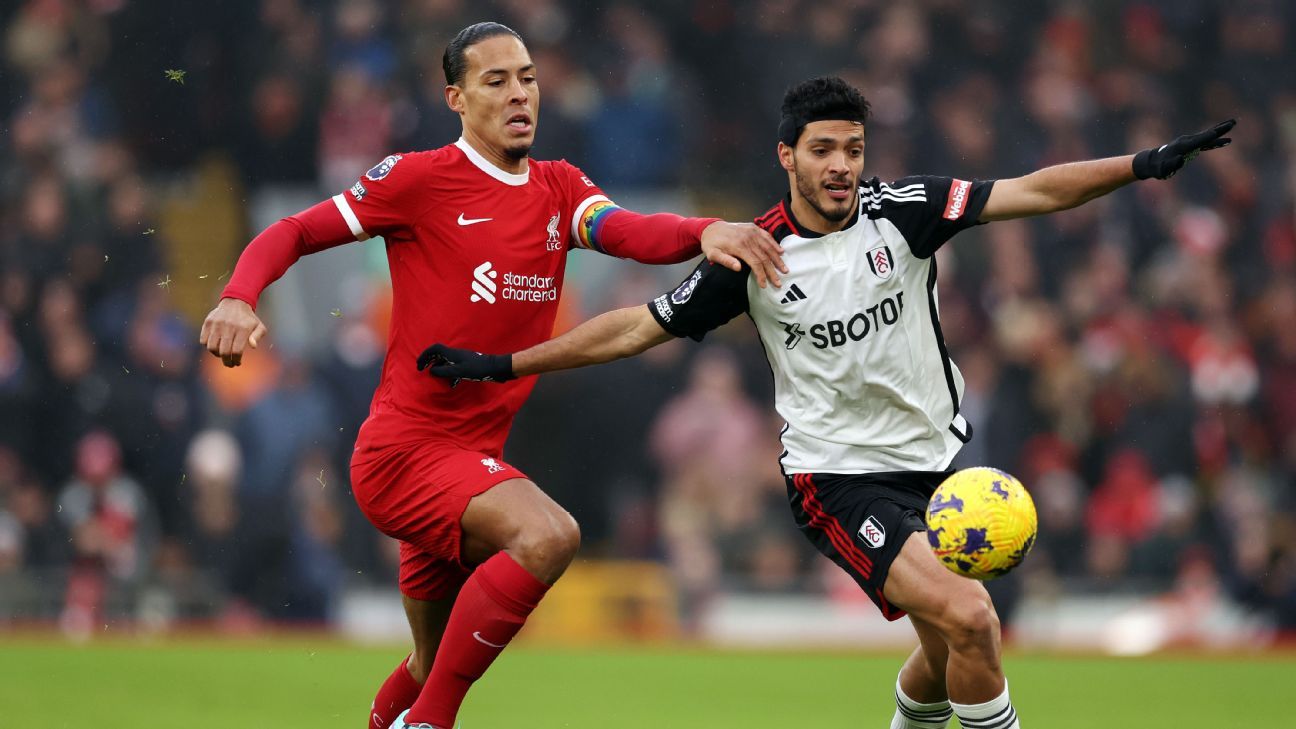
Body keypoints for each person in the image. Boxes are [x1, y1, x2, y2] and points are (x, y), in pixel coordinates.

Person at [419, 76, 1235, 729]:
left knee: (948, 647)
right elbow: (635, 328)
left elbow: (1034, 191)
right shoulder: (755, 256)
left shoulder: (905, 214)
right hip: (838, 480)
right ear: (788, 157)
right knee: (975, 617)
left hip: (939, 468)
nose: (842, 164)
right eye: (824, 150)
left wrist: (1142, 162)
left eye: (853, 148)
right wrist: (503, 363)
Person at [199, 22, 786, 729]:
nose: (519, 94)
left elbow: (629, 230)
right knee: (549, 536)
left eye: (528, 77)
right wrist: (238, 293)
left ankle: (406, 716)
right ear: (456, 97)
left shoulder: (559, 187)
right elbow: (292, 230)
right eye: (496, 80)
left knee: (426, 663)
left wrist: (703, 231)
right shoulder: (418, 179)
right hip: (404, 454)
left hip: (472, 458)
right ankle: (433, 724)